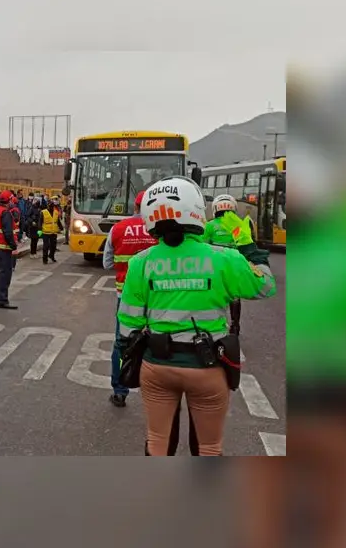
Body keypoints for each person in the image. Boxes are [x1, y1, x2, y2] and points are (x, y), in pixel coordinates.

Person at [118, 176, 277, 456]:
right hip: (207, 366)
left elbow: (128, 326)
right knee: (209, 446)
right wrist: (250, 249)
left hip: (157, 365)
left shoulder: (140, 262)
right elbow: (265, 286)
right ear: (195, 209)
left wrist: (125, 359)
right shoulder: (224, 258)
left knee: (157, 440)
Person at [102, 190, 155, 408]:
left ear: (134, 206)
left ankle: (120, 391)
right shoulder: (159, 230)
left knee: (122, 344)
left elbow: (107, 263)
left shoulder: (118, 229)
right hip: (157, 298)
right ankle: (157, 392)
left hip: (126, 297)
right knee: (160, 343)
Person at [203, 194, 258, 336]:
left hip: (215, 266)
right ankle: (235, 325)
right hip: (235, 265)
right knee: (235, 297)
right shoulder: (240, 224)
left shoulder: (209, 225)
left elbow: (202, 246)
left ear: (215, 208)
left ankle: (213, 323)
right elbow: (248, 244)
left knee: (212, 293)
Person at [0, 190, 19, 309]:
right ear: (9, 200)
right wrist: (14, 246)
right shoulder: (5, 213)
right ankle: (2, 299)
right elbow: (8, 232)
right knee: (5, 274)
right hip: (4, 248)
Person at [40, 196, 63, 264]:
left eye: (52, 206)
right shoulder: (43, 212)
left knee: (53, 246)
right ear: (48, 206)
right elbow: (40, 221)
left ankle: (51, 256)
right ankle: (45, 259)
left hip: (53, 232)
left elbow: (57, 221)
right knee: (46, 246)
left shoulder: (56, 212)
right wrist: (39, 229)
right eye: (50, 206)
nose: (51, 207)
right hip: (45, 232)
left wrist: (61, 227)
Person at [26, 194, 43, 258]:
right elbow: (28, 216)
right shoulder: (32, 208)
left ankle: (35, 253)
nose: (37, 202)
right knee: (33, 240)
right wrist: (32, 221)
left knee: (36, 240)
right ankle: (32, 253)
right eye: (36, 200)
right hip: (33, 227)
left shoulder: (39, 208)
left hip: (38, 227)